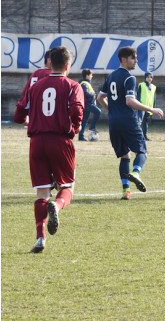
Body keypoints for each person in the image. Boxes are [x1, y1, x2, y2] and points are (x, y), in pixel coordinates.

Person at [14, 46, 84, 253]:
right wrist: (74, 129)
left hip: (36, 142)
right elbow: (76, 110)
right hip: (60, 140)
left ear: (50, 63)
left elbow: (19, 115)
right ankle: (58, 206)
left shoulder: (36, 85)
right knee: (67, 188)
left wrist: (33, 121)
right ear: (68, 65)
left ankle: (40, 238)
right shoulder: (73, 86)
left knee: (42, 192)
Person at [97, 47, 164, 200]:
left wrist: (112, 111)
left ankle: (125, 192)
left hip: (113, 122)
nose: (136, 61)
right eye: (133, 58)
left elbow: (100, 98)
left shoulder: (111, 76)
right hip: (128, 120)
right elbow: (130, 101)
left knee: (124, 156)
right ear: (123, 59)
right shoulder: (129, 78)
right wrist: (151, 109)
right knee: (142, 151)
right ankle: (136, 172)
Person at [13, 48, 52, 126]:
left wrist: (21, 118)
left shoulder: (36, 73)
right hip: (51, 119)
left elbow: (25, 97)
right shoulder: (53, 75)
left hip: (35, 119)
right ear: (49, 60)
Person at [78, 68, 102, 141]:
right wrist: (92, 94)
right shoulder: (84, 84)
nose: (92, 76)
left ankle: (81, 137)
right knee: (98, 112)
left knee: (84, 121)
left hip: (87, 103)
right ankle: (92, 127)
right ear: (87, 75)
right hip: (87, 103)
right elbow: (85, 93)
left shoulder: (86, 83)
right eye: (91, 75)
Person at [137, 72, 156, 141]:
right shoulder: (141, 85)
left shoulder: (154, 87)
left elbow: (154, 97)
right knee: (139, 121)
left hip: (149, 107)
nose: (149, 78)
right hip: (141, 106)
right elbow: (138, 95)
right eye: (148, 77)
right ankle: (137, 135)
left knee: (146, 122)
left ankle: (145, 136)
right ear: (145, 78)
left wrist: (154, 107)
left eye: (150, 77)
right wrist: (138, 104)